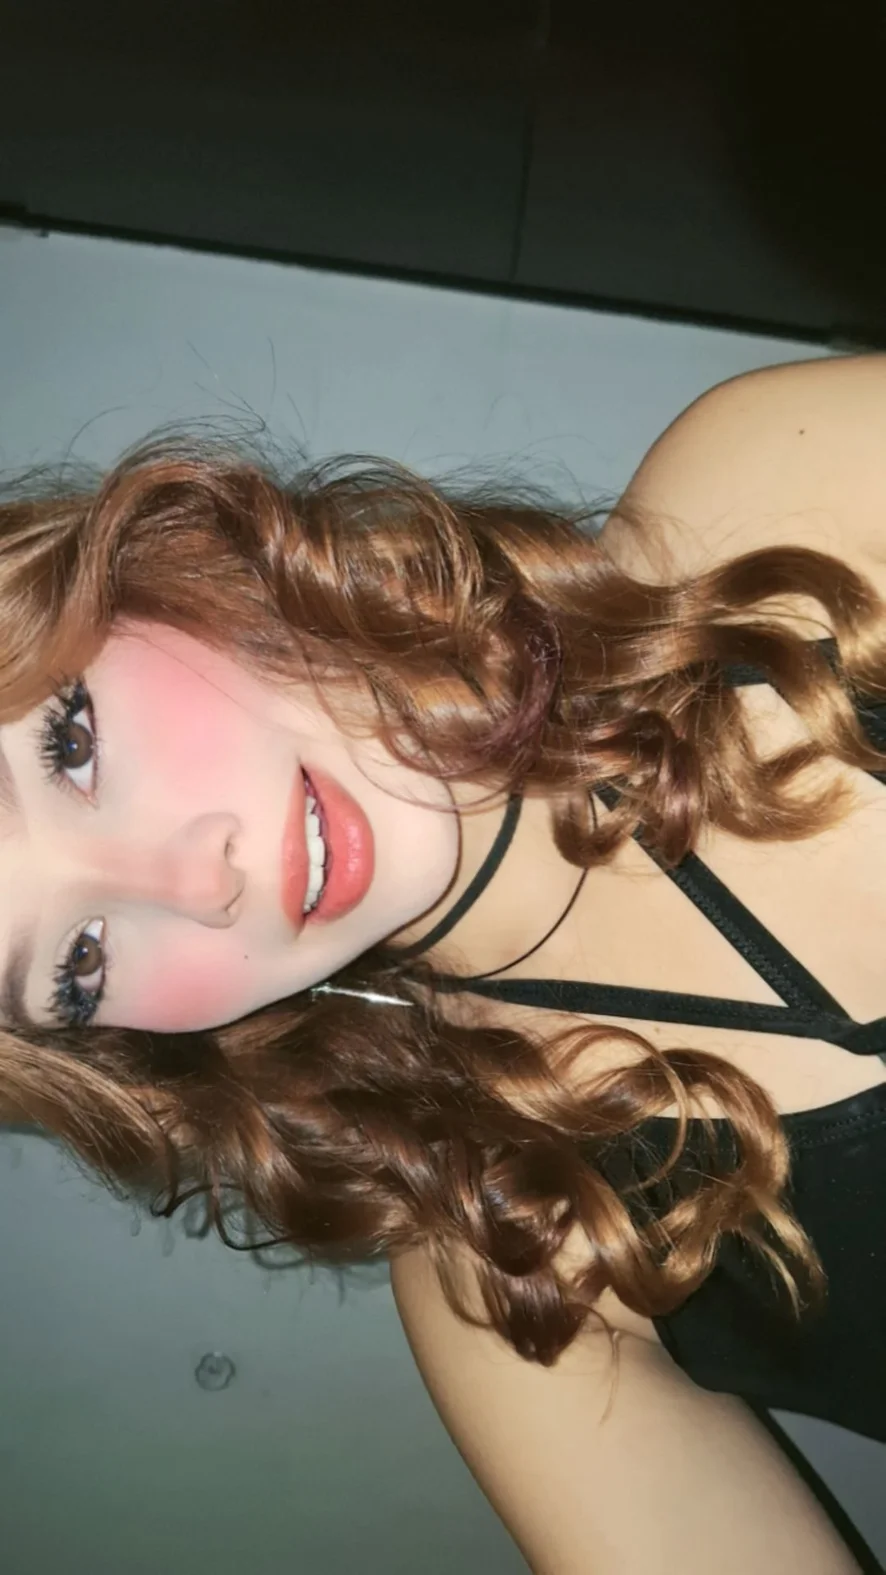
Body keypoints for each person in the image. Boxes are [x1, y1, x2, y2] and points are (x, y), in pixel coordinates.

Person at [2, 350, 885, 1573]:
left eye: (72, 746)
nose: (197, 884)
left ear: (139, 574)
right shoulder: (515, 1253)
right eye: (82, 961)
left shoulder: (777, 506)